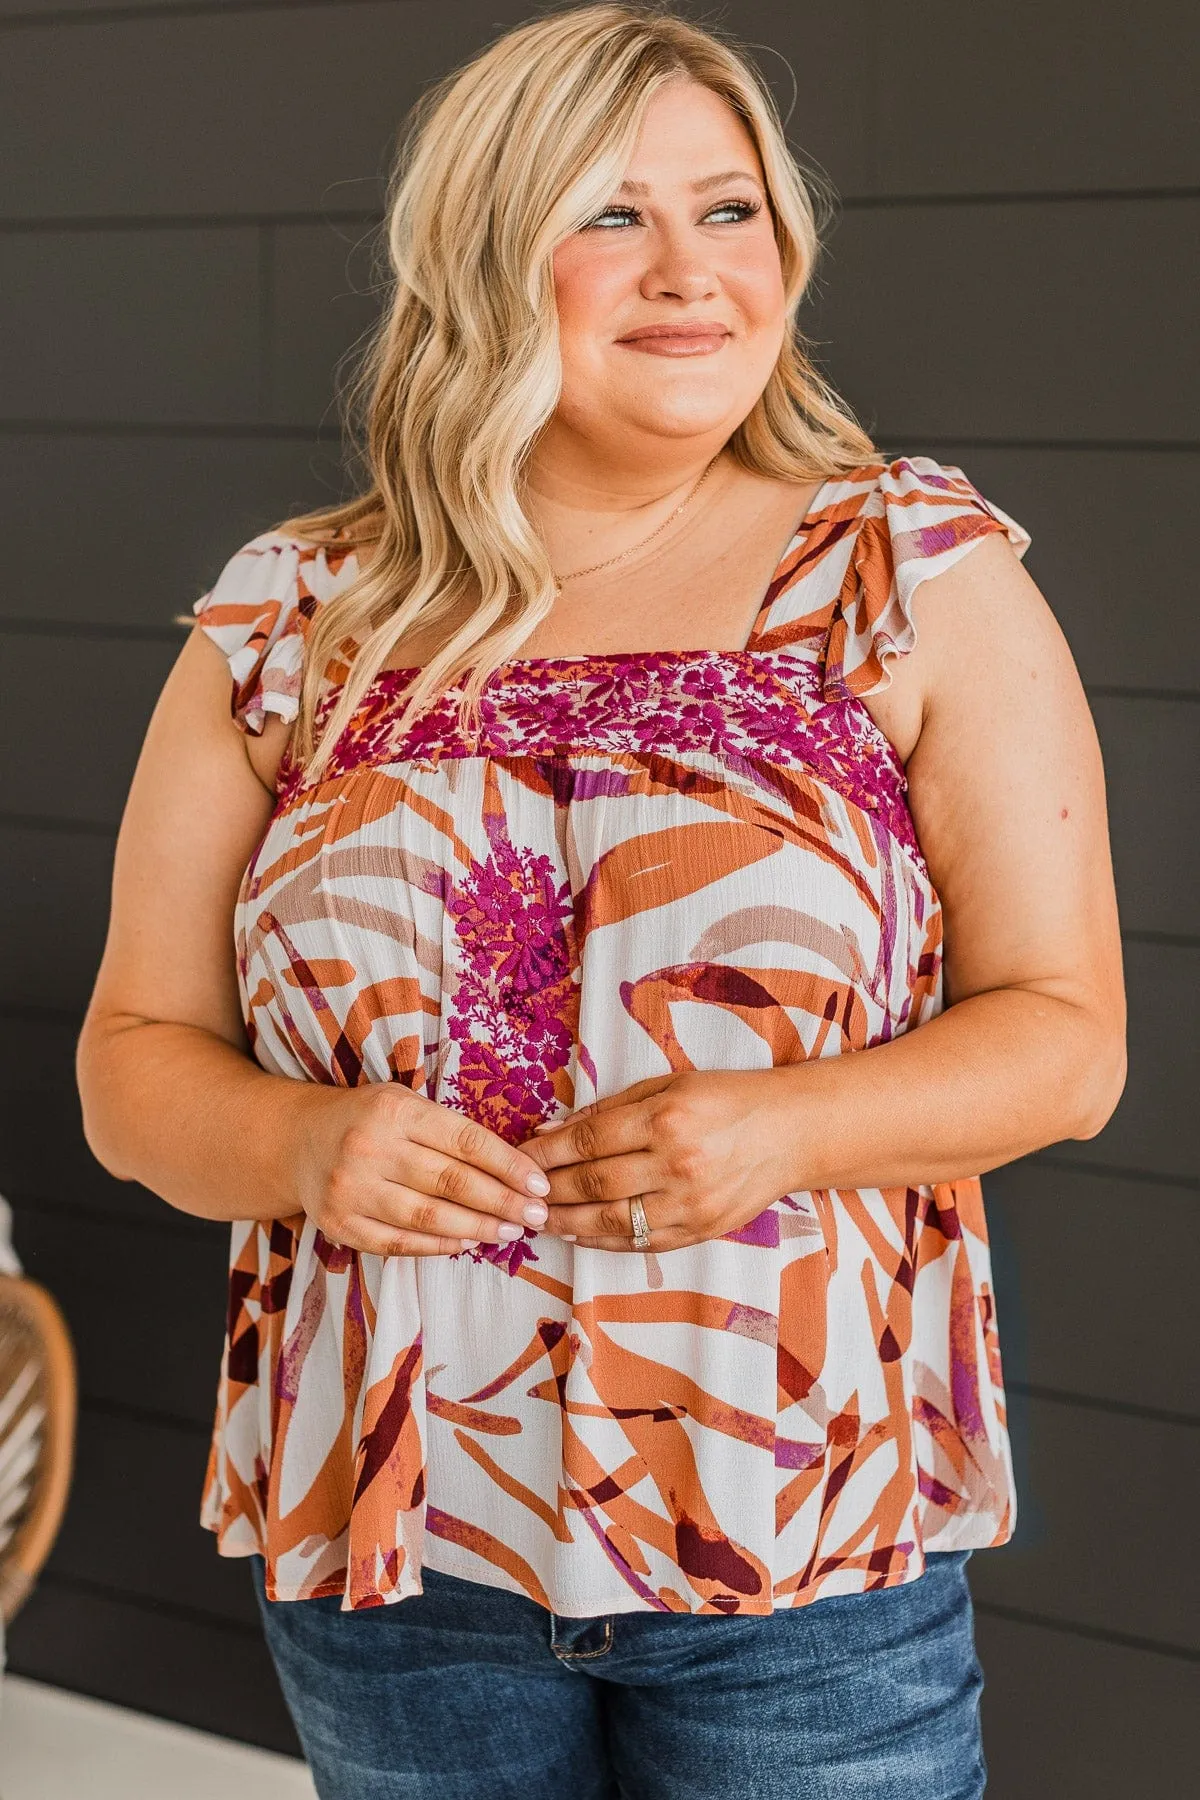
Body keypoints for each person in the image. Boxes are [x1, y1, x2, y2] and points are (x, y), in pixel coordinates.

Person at [74, 4, 1127, 1795]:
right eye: (610, 214)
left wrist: (784, 1130)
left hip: (792, 1549)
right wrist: (306, 1146)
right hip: (392, 1549)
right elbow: (132, 1064)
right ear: (484, 258)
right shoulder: (291, 616)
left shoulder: (906, 571)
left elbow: (1066, 1041)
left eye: (730, 211)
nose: (690, 273)